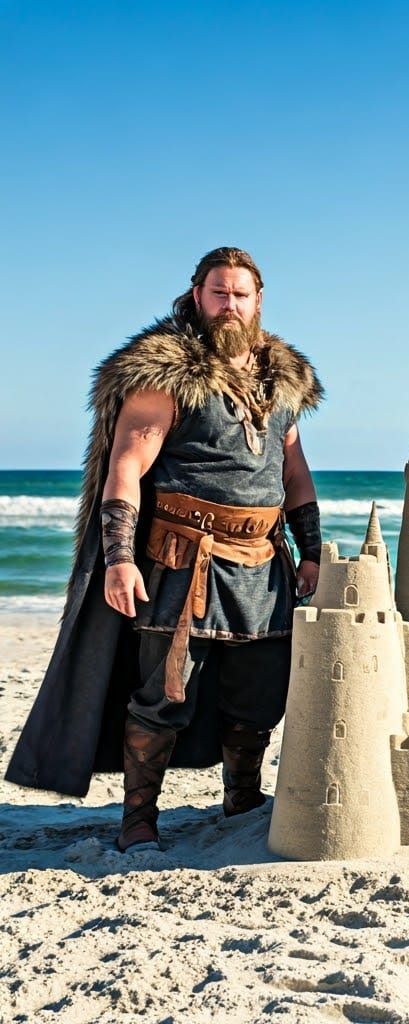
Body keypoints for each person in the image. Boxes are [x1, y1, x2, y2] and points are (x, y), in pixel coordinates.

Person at [5, 247, 324, 852]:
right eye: (218, 293)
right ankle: (139, 820)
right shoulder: (167, 372)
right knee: (165, 695)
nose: (229, 305)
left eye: (240, 295)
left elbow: (295, 470)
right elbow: (127, 465)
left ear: (259, 301)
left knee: (257, 694)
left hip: (264, 561)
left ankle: (241, 796)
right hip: (184, 561)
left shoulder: (283, 383)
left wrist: (309, 550)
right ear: (197, 294)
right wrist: (120, 558)